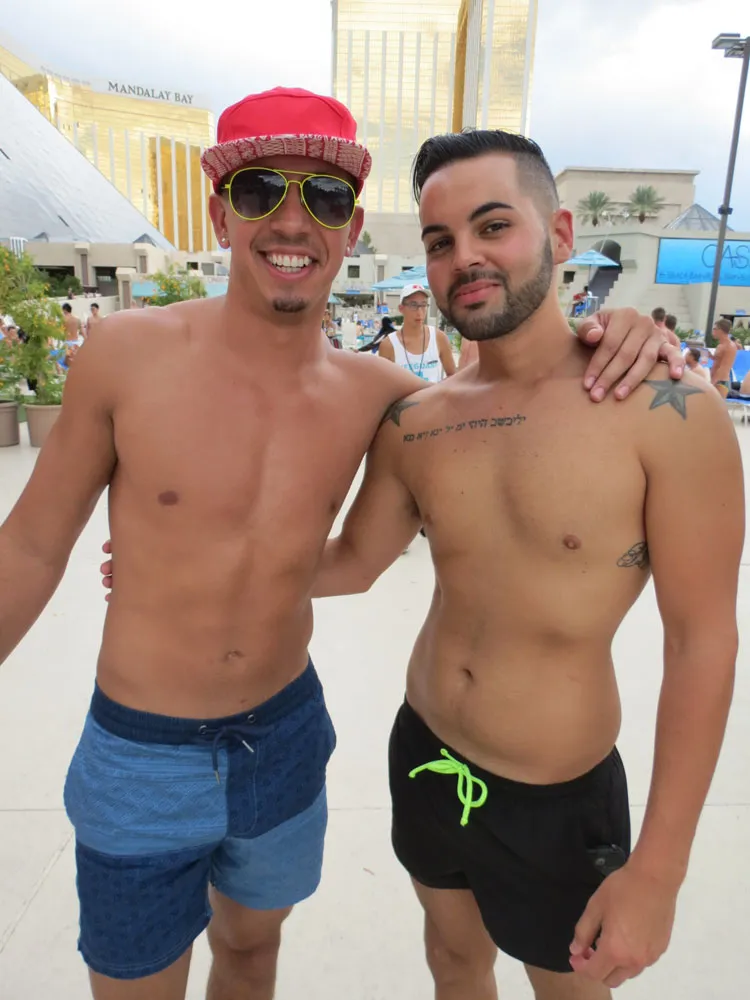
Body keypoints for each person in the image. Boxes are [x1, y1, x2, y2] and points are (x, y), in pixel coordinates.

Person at [4, 86, 680, 1000]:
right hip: (142, 751)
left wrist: (623, 329)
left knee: (252, 953)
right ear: (220, 214)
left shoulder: (383, 397)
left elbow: (463, 448)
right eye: (259, 191)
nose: (293, 221)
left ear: (351, 228)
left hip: (282, 735)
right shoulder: (125, 353)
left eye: (324, 198)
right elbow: (30, 548)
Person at [312, 130, 743, 999]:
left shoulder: (665, 411)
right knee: (453, 961)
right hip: (426, 751)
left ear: (560, 233)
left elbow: (702, 643)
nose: (465, 257)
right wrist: (196, 557)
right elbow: (351, 563)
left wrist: (659, 872)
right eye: (440, 241)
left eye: (494, 225)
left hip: (556, 795)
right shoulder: (418, 422)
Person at [378, 284, 456, 381]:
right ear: (401, 308)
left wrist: (439, 388)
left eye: (423, 305)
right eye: (413, 305)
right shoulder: (388, 345)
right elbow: (383, 384)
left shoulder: (439, 338)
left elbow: (453, 376)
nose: (419, 312)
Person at [710, 319, 738, 398]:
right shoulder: (721, 345)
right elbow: (718, 360)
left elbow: (724, 368)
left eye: (715, 329)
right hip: (716, 379)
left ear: (721, 330)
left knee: (716, 404)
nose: (713, 331)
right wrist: (710, 356)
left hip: (720, 381)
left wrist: (713, 382)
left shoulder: (729, 346)